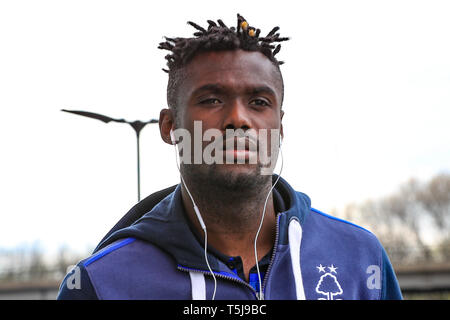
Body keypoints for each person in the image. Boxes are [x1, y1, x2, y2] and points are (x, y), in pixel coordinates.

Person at [57, 14, 402, 300]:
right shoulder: (101, 283)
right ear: (170, 126)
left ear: (279, 127)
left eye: (259, 102)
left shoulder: (360, 257)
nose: (238, 118)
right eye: (211, 99)